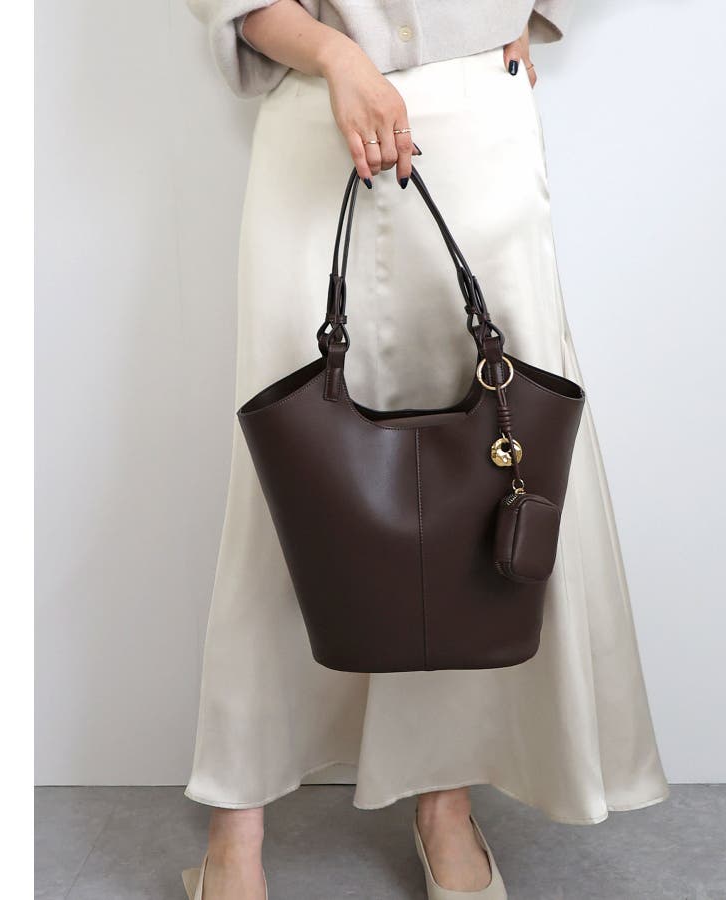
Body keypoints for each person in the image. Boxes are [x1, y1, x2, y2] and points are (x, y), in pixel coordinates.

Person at [182, 2, 669, 898]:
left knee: (483, 474)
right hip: (314, 110)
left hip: (478, 117)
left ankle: (444, 805)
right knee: (287, 477)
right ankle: (235, 829)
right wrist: (336, 55)